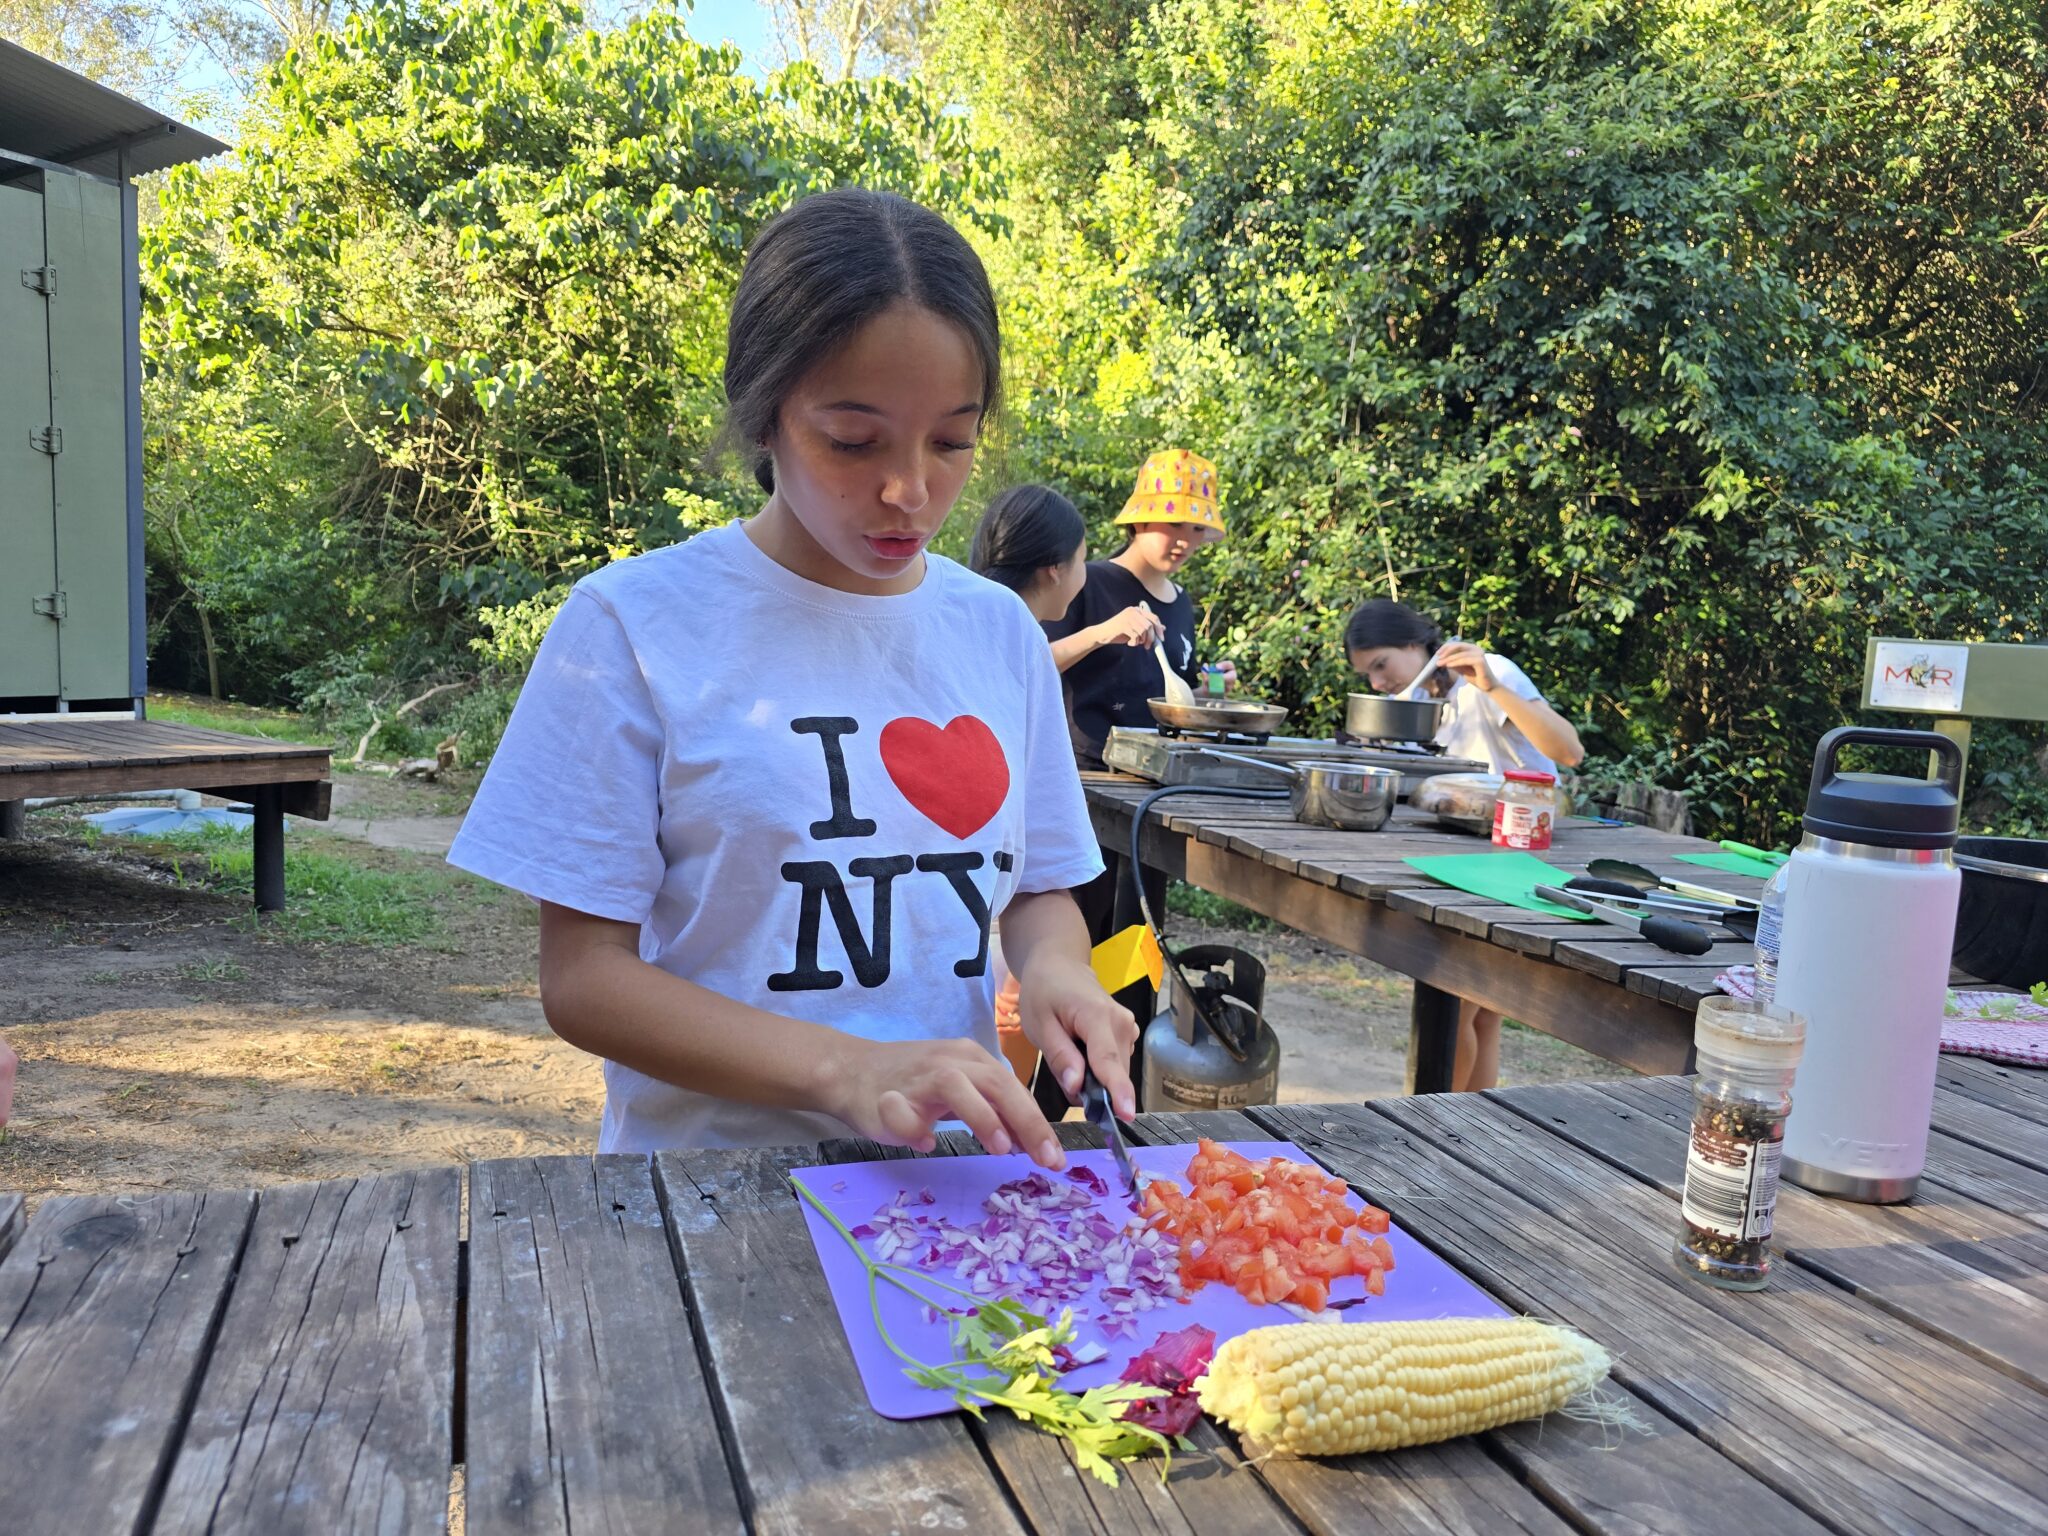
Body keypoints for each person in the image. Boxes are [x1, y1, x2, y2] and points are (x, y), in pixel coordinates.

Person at [447, 189, 1137, 1166]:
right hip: (707, 1193)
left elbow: (1036, 892)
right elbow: (584, 979)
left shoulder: (997, 633)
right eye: (853, 440)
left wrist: (1060, 972)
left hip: (951, 1186)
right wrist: (845, 1069)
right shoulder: (634, 626)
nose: (910, 489)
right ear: (763, 415)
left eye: (951, 441)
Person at [1343, 598, 1585, 1090]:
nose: (1377, 682)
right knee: (1483, 1010)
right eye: (1367, 674)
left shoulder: (1490, 673)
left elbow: (1569, 751)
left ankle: (1433, 1124)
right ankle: (1469, 1125)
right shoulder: (1419, 703)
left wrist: (1492, 686)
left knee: (1455, 1006)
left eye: (1381, 665)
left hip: (1520, 857)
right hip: (1469, 858)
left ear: (1416, 644)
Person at [1041, 449, 1237, 767]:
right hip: (1083, 770)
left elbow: (1166, 697)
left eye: (1198, 529)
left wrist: (1204, 693)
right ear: (1139, 521)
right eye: (1174, 523)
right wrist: (1101, 633)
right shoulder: (1086, 581)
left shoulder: (1181, 601)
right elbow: (1034, 662)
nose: (1185, 541)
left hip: (1155, 767)